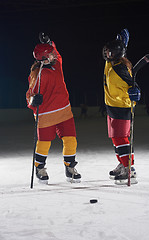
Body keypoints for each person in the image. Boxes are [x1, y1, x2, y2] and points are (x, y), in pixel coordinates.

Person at [26, 33, 81, 184]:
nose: (53, 56)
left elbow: (57, 54)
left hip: (64, 111)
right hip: (46, 115)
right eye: (50, 54)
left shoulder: (57, 65)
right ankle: (39, 167)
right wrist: (33, 101)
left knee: (71, 141)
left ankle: (70, 167)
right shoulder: (36, 74)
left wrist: (50, 43)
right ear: (43, 58)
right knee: (44, 143)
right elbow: (29, 96)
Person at [102, 29, 141, 184]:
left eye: (109, 52)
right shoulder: (110, 63)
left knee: (121, 139)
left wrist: (136, 93)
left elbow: (133, 86)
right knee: (115, 138)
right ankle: (123, 163)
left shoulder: (120, 68)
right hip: (111, 106)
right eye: (106, 51)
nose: (106, 54)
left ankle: (128, 168)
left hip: (121, 108)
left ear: (117, 54)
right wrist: (122, 43)